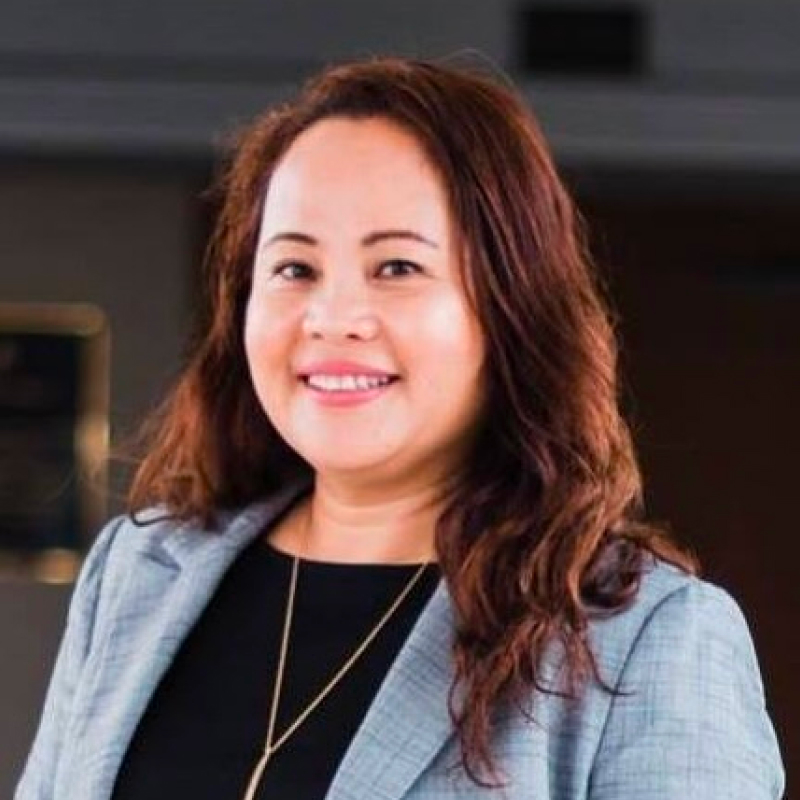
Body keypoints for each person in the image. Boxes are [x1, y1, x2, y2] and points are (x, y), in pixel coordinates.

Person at [15, 57, 785, 800]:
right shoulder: (136, 576)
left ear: (511, 309)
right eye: (294, 269)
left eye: (397, 268)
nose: (333, 318)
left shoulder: (642, 637)